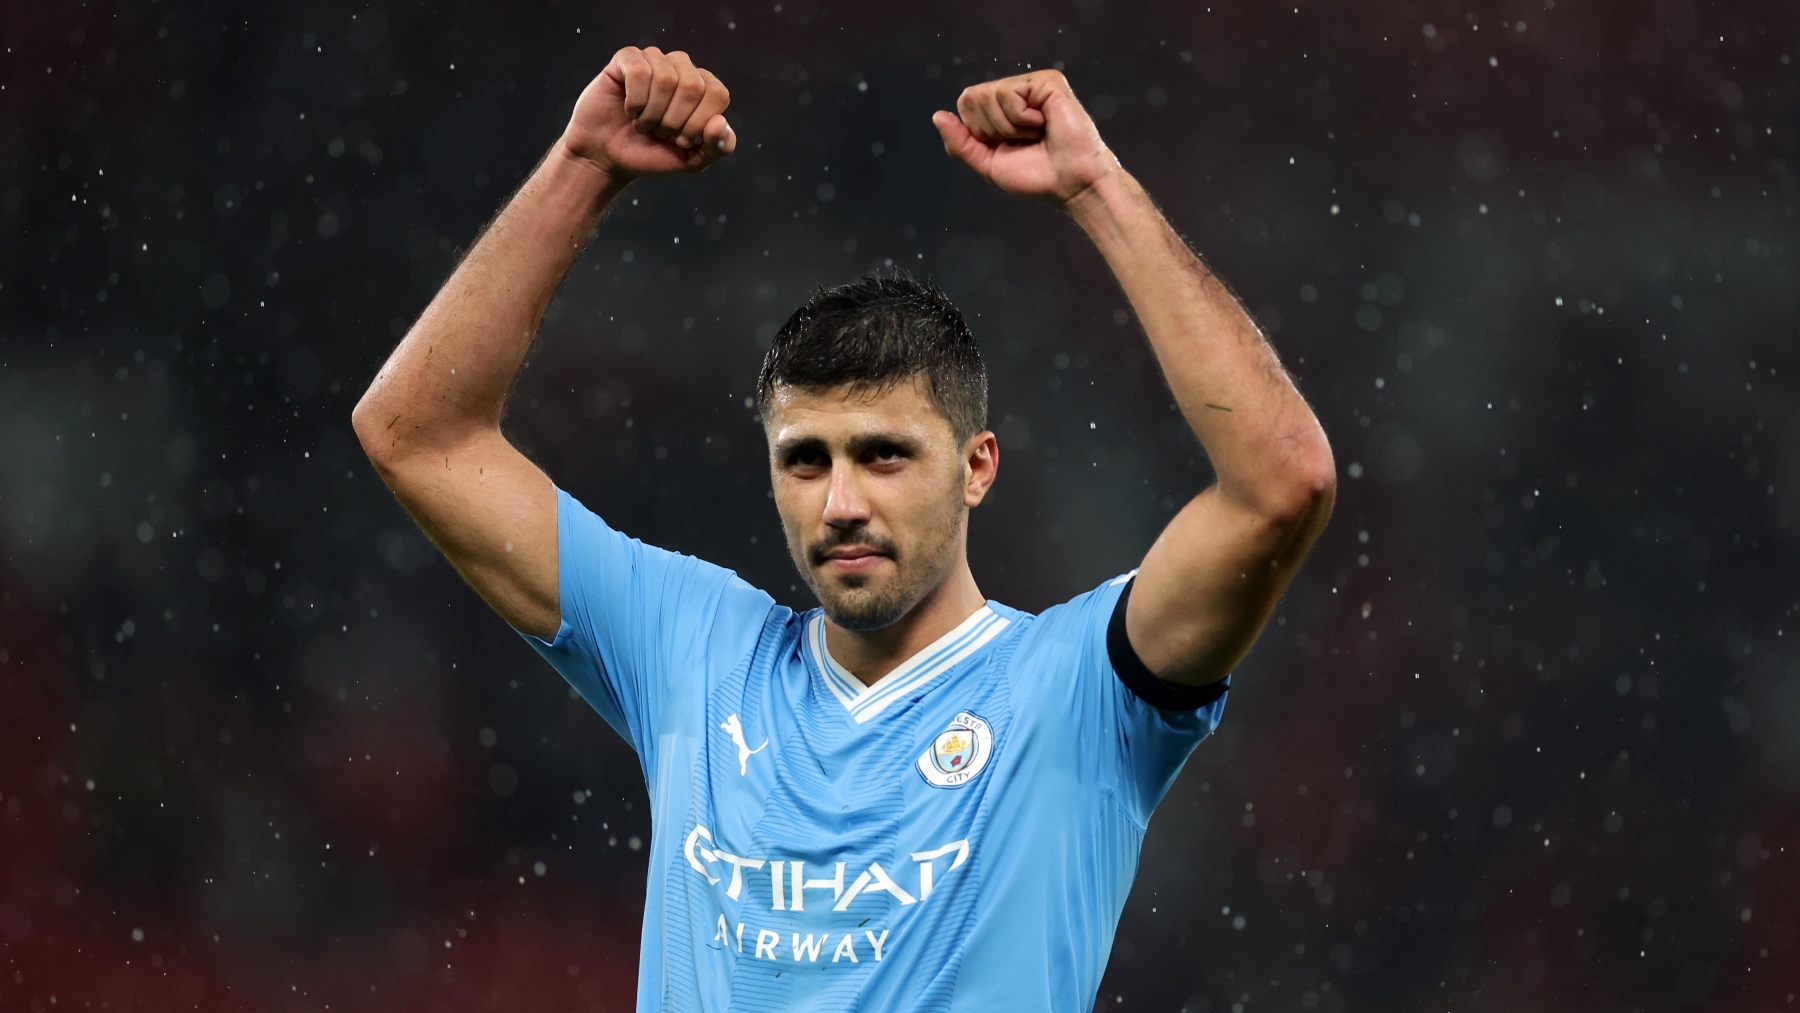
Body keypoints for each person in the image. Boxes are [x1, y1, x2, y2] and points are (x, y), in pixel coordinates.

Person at [352, 45, 1335, 1013]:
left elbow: (1280, 486)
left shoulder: (1075, 688)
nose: (842, 502)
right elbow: (414, 434)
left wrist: (1097, 188)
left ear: (977, 467)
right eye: (805, 459)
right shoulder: (693, 645)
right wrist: (582, 168)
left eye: (885, 454)